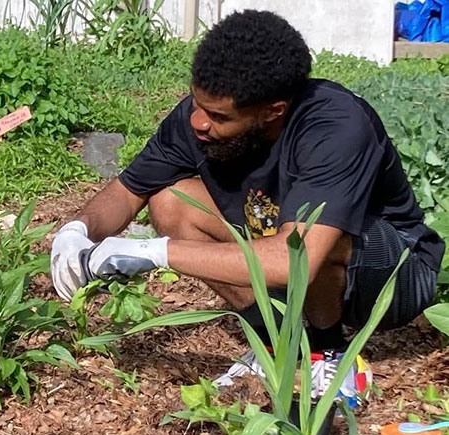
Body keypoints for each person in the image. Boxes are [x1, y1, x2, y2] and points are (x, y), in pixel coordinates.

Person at [50, 10, 445, 397]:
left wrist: (154, 252)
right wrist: (76, 230)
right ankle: (275, 342)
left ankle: (328, 352)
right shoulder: (197, 120)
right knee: (172, 201)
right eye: (197, 103)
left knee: (316, 235)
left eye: (218, 115)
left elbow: (296, 260)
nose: (198, 123)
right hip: (282, 234)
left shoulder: (334, 126)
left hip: (395, 273)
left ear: (273, 111)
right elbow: (128, 190)